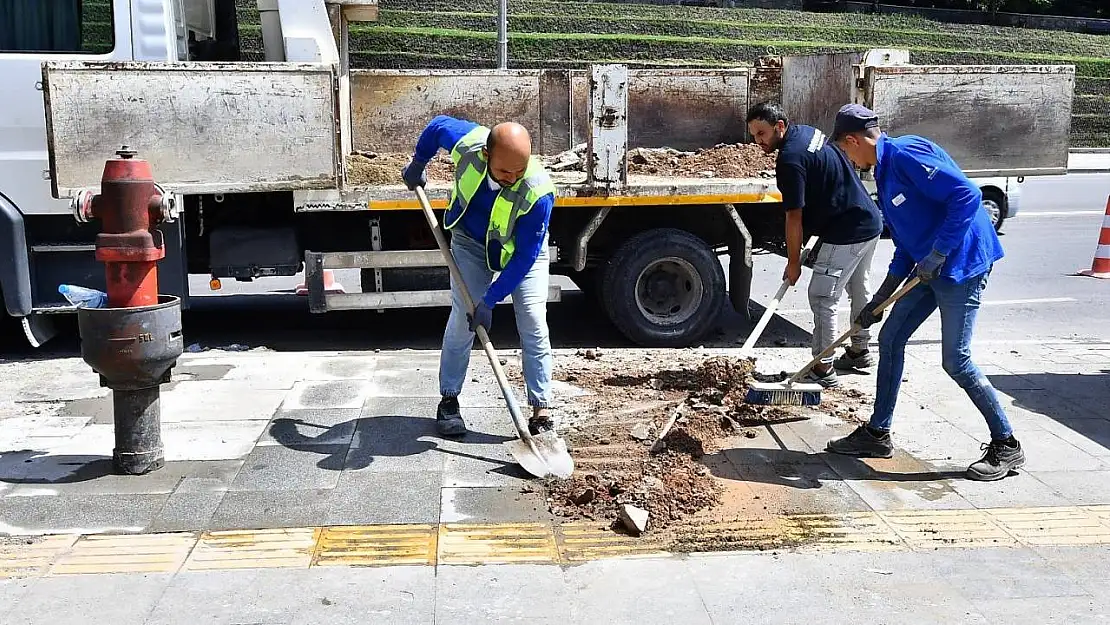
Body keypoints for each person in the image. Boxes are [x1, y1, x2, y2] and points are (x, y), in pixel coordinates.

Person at [827, 103, 1023, 482]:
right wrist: (879, 298)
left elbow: (967, 195)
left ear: (853, 140)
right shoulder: (884, 174)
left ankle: (1007, 445)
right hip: (928, 268)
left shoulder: (905, 155)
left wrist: (938, 253)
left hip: (962, 266)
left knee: (956, 360)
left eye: (847, 151)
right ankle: (877, 433)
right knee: (890, 336)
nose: (850, 159)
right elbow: (906, 243)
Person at [401, 115, 556, 438]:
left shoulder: (539, 193)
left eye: (519, 170)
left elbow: (526, 256)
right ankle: (449, 400)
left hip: (518, 253)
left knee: (532, 319)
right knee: (463, 318)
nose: (513, 178)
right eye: (504, 172)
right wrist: (418, 164)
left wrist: (493, 298)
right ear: (487, 156)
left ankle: (540, 411)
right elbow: (435, 127)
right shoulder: (470, 144)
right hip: (471, 242)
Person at [745, 103, 884, 388]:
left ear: (780, 127)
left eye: (762, 133)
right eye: (754, 135)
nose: (758, 141)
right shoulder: (808, 133)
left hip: (847, 231)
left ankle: (822, 367)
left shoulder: (790, 160)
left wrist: (793, 261)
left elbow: (793, 216)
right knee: (859, 287)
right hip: (868, 219)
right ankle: (860, 350)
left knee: (822, 297)